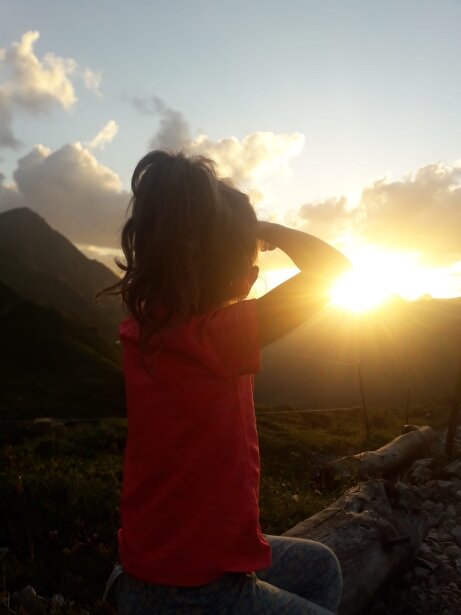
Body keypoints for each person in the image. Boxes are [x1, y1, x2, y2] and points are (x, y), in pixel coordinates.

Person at [103, 150, 349, 614]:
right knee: (323, 577)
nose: (255, 279)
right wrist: (266, 230)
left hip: (147, 570)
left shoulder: (141, 328)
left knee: (321, 565)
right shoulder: (215, 337)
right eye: (251, 266)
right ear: (222, 268)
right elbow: (336, 271)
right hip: (196, 591)